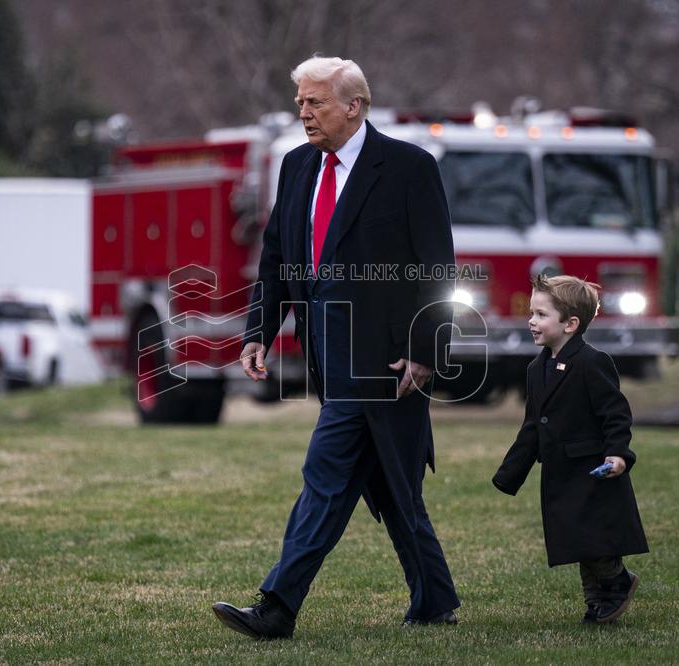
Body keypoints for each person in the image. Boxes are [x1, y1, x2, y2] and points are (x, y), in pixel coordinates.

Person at [211, 55, 461, 639]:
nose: (304, 112)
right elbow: (277, 259)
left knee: (324, 476)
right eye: (300, 101)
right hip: (330, 361)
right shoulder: (297, 167)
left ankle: (276, 607)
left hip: (389, 365)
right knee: (394, 487)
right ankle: (435, 599)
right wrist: (258, 332)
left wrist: (427, 352)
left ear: (354, 106)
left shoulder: (408, 167)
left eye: (315, 101)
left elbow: (438, 266)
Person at [492, 274, 649, 624]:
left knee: (592, 538)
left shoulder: (593, 362)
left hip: (592, 470)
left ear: (570, 324)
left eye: (541, 314)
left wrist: (618, 454)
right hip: (561, 472)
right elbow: (533, 425)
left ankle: (616, 582)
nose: (531, 321)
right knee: (575, 540)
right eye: (532, 313)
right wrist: (509, 474)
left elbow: (615, 414)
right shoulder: (536, 369)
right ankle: (596, 602)